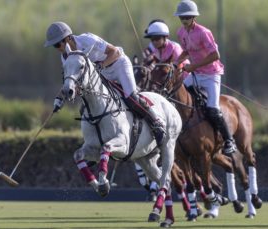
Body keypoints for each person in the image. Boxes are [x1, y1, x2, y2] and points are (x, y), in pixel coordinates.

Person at [44, 21, 166, 146]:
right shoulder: (66, 57)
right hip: (102, 74)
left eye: (58, 44)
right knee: (86, 108)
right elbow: (70, 80)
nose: (58, 48)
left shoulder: (87, 39)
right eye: (55, 46)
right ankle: (96, 142)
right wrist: (59, 98)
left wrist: (101, 66)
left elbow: (115, 52)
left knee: (131, 97)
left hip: (119, 65)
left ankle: (156, 123)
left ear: (68, 38)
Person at [173, 0, 237, 154]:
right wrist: (177, 62)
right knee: (178, 95)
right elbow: (187, 51)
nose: (184, 20)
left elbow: (215, 55)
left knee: (213, 109)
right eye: (182, 17)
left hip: (211, 75)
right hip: (196, 74)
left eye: (187, 17)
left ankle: (229, 141)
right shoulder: (181, 32)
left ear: (194, 17)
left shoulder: (203, 32)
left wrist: (193, 66)